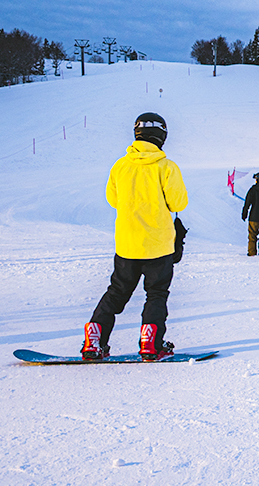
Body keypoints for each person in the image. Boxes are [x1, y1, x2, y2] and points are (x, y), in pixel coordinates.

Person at [82, 113, 188, 361]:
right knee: (156, 294)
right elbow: (178, 203)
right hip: (158, 247)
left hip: (127, 245)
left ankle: (94, 338)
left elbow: (113, 200)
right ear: (162, 135)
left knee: (117, 291)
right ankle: (151, 343)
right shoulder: (167, 167)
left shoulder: (120, 165)